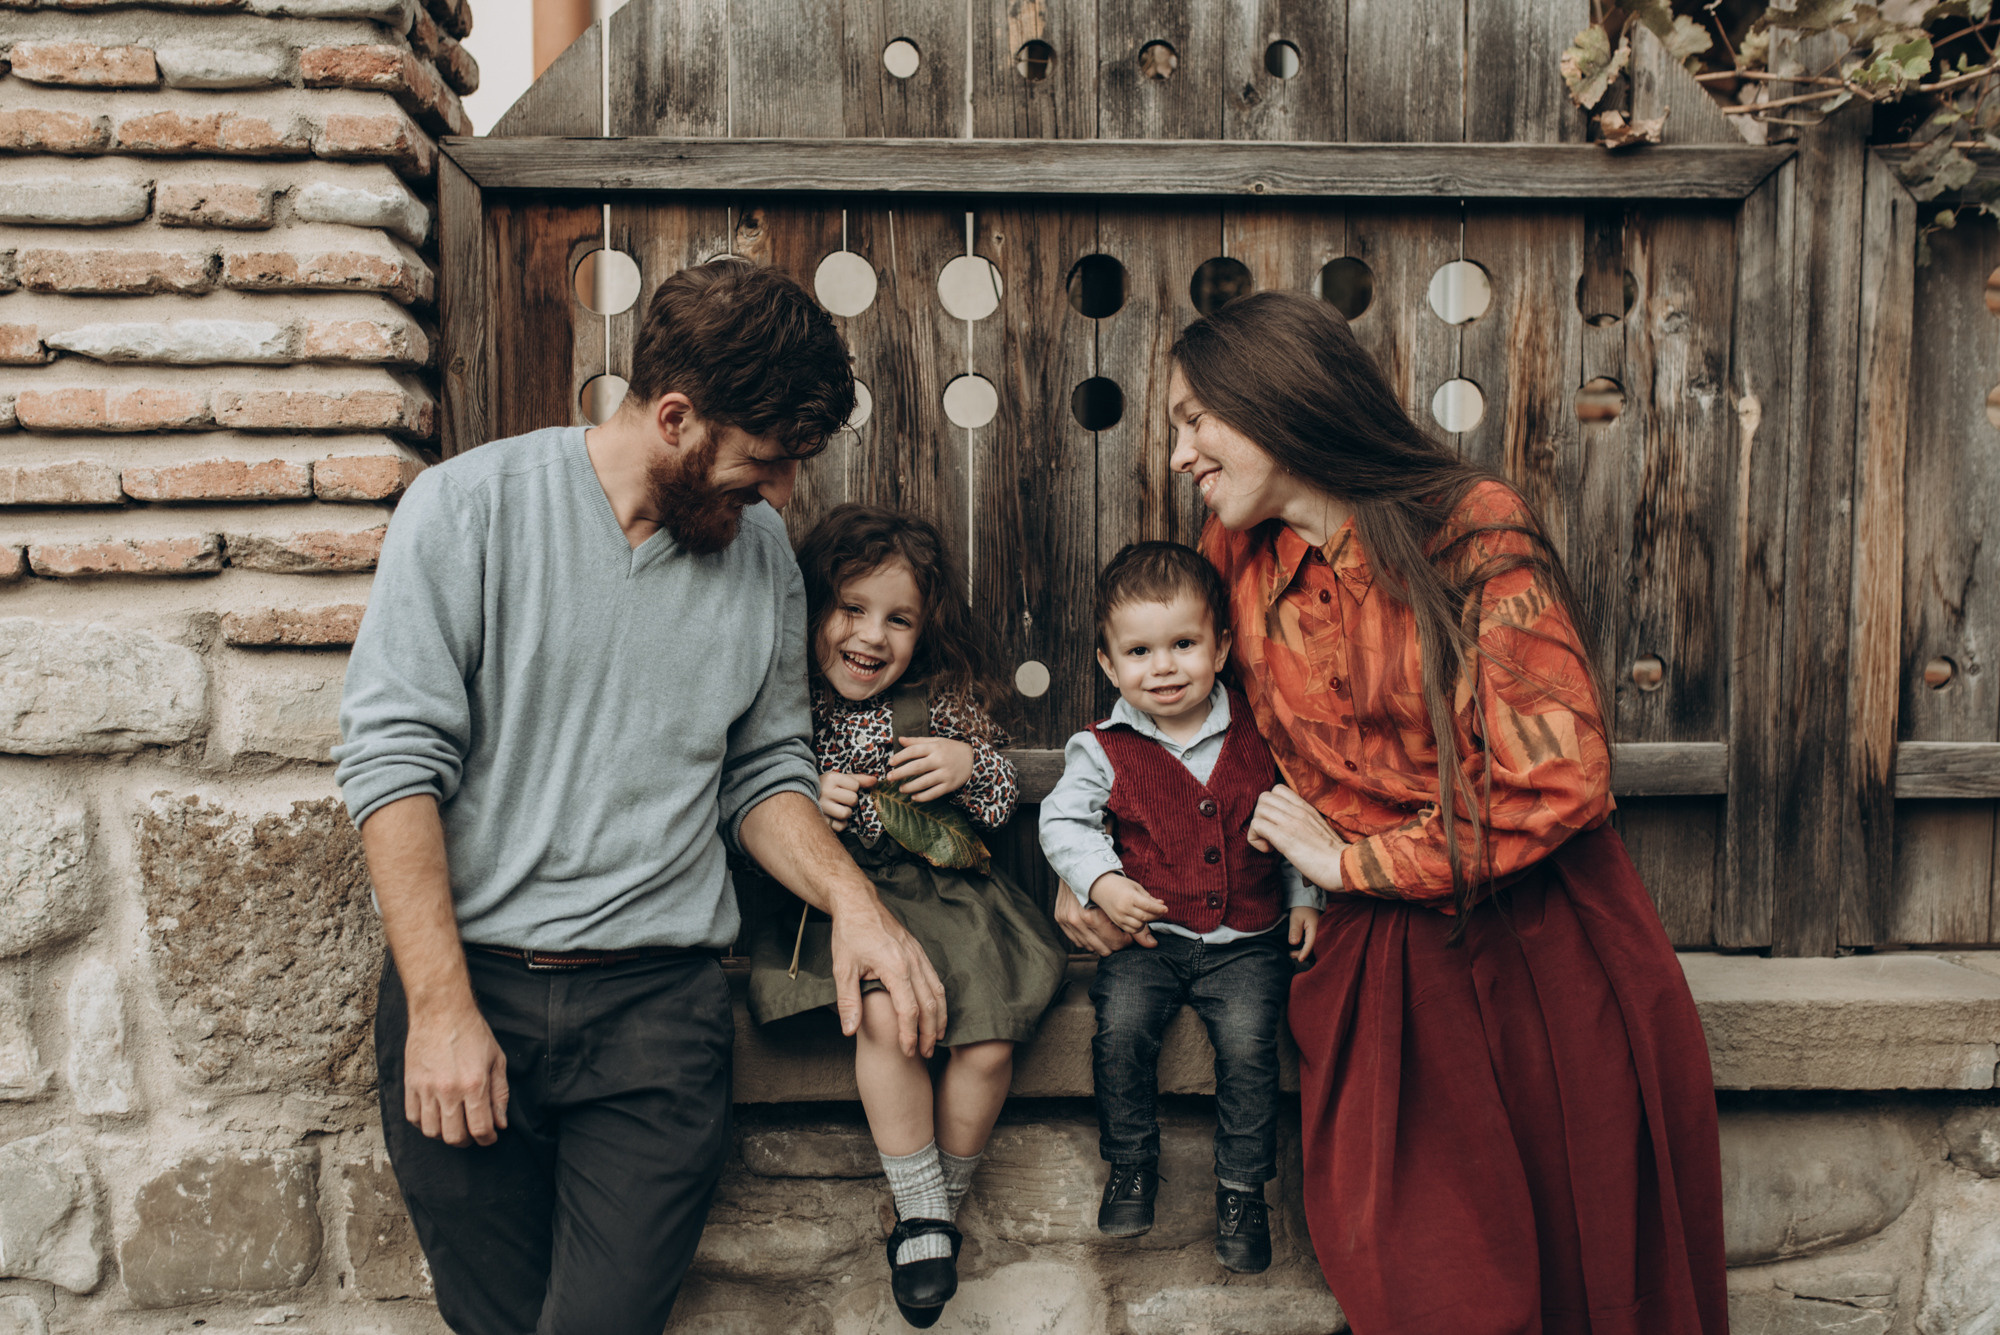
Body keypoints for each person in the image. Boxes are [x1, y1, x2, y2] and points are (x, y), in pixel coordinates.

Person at [1054, 291, 1729, 1334]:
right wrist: (1092, 866)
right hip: (1379, 959)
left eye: (1195, 419)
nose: (1180, 452)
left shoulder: (1467, 526)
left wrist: (1353, 865)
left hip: (1543, 941)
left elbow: (1559, 778)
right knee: (1424, 1276)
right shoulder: (1234, 556)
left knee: (1589, 1266)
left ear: (1276, 402)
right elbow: (1172, 731)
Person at [333, 260, 946, 1335]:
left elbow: (763, 770)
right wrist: (440, 1011)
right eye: (764, 460)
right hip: (468, 990)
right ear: (674, 418)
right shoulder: (467, 508)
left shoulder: (760, 553)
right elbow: (393, 766)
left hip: (658, 1015)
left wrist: (856, 903)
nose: (782, 494)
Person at [745, 503, 1068, 1329]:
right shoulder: (788, 709)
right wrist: (805, 798)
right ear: (813, 609)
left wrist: (968, 764)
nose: (871, 635)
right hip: (841, 904)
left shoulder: (944, 704)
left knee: (988, 1043)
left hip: (953, 904)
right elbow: (752, 808)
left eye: (899, 618)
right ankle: (928, 1219)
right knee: (888, 1018)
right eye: (851, 608)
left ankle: (928, 1216)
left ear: (924, 632)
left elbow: (998, 800)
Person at [1039, 541, 1321, 1275]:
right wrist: (1102, 882)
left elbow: (1294, 818)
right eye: (1139, 652)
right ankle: (1131, 1163)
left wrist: (1303, 895)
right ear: (1109, 665)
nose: (1162, 667)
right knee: (1121, 1030)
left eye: (1184, 645)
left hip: (1250, 940)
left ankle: (1242, 1192)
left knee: (1251, 1047)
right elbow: (1062, 822)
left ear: (1221, 647)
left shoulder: (1261, 731)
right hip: (1151, 940)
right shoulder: (1102, 747)